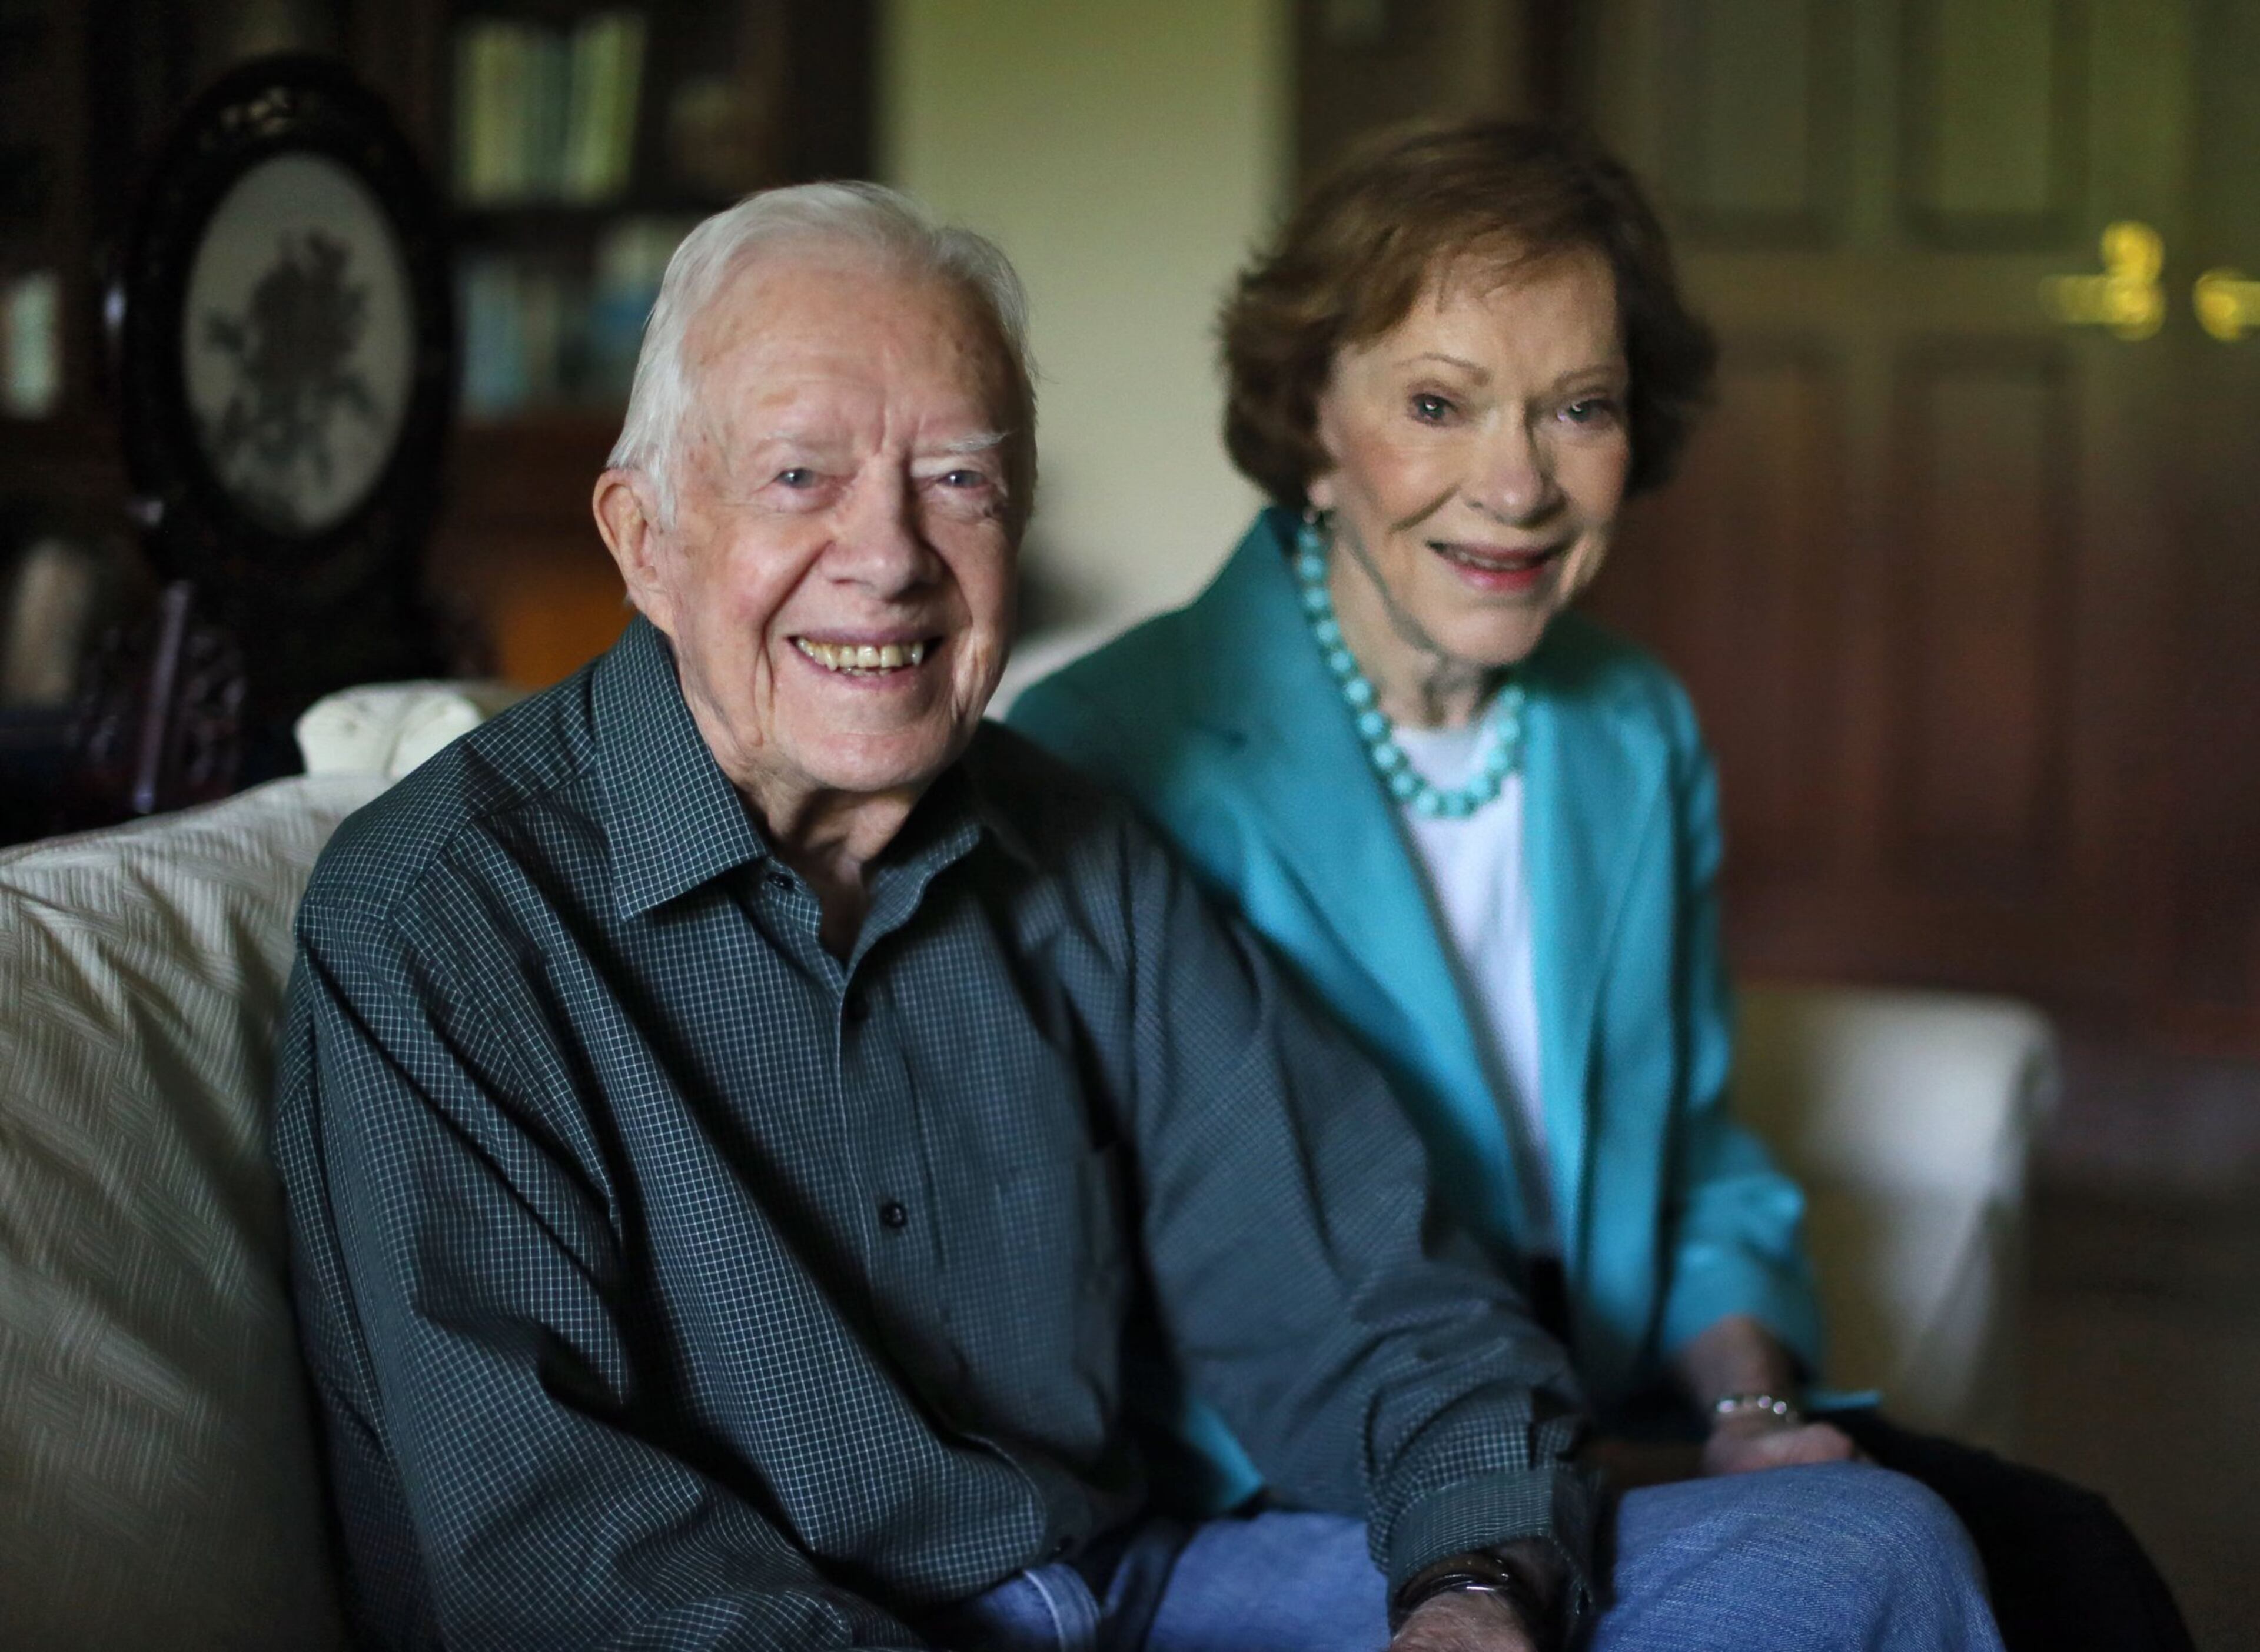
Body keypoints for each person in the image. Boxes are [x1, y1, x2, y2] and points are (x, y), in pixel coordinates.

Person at [272, 180, 2003, 1652]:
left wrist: (1470, 1586)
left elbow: (1378, 1298)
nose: (888, 557)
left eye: (958, 480)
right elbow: (555, 1553)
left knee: (1875, 1554)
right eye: (800, 477)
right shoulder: (445, 927)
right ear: (644, 538)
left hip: (1150, 1593)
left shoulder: (1073, 855)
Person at [1010, 121, 2191, 1652]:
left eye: (1579, 408)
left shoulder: (1628, 728)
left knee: (2079, 1565)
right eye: (1440, 404)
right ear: (1311, 420)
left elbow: (1691, 1156)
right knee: (1945, 1567)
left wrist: (1754, 1410)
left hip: (1614, 1405)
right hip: (1323, 1482)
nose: (1518, 484)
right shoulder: (1108, 753)